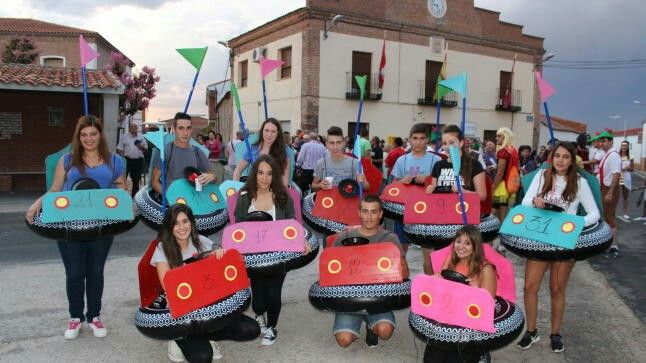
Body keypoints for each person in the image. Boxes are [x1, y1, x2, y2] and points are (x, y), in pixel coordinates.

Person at [26, 115, 127, 339]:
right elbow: (55, 190)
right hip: (69, 225)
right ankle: (75, 318)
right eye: (84, 135)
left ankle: (94, 316)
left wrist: (125, 194)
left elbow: (121, 190)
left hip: (102, 226)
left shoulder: (115, 161)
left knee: (95, 272)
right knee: (74, 273)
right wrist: (36, 205)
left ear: (100, 134)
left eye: (93, 133)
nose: (89, 139)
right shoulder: (67, 160)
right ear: (78, 137)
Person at [516, 141, 600, 353]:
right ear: (551, 158)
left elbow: (594, 214)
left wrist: (573, 223)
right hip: (539, 238)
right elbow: (524, 203)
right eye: (557, 156)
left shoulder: (579, 182)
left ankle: (555, 333)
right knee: (529, 287)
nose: (560, 160)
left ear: (572, 161)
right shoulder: (542, 175)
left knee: (557, 289)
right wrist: (535, 200)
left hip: (563, 242)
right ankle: (532, 331)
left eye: (565, 157)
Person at [151, 204, 260, 362]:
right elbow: (167, 285)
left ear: (192, 223)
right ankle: (176, 338)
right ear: (170, 227)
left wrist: (219, 254)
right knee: (203, 357)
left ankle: (208, 335)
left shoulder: (202, 241)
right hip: (184, 314)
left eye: (185, 221)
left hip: (208, 308)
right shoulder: (162, 248)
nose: (181, 227)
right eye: (176, 223)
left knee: (251, 329)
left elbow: (222, 269)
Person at [234, 155, 310, 346]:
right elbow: (237, 229)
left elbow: (292, 224)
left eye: (269, 173)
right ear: (254, 174)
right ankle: (260, 315)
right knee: (259, 301)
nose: (264, 178)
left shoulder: (283, 197)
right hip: (253, 257)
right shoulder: (244, 198)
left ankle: (272, 327)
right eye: (260, 173)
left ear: (274, 176)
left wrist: (301, 240)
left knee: (273, 293)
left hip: (278, 255)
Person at [332, 195, 409, 349]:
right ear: (359, 213)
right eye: (365, 211)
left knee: (385, 332)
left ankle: (371, 326)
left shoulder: (390, 239)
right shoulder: (345, 237)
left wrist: (398, 263)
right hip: (350, 301)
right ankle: (357, 322)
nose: (369, 216)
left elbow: (405, 274)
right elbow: (329, 269)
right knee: (343, 340)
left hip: (379, 301)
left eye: (374, 212)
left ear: (381, 214)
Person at [425, 225, 497, 363]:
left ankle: (482, 353)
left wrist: (478, 291)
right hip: (449, 319)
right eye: (458, 241)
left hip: (471, 326)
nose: (461, 246)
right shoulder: (450, 260)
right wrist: (436, 282)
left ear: (475, 246)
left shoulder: (485, 268)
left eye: (468, 243)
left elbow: (489, 308)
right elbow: (440, 295)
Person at [425, 125, 487, 274]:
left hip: (463, 222)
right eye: (444, 143)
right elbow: (433, 193)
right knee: (439, 264)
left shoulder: (474, 165)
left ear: (461, 143)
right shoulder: (438, 165)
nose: (447, 146)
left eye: (451, 142)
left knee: (462, 267)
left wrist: (464, 191)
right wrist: (430, 191)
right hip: (441, 222)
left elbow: (482, 195)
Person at [391, 123, 441, 254]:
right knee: (401, 253)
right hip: (404, 211)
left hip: (428, 211)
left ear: (428, 139)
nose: (418, 142)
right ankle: (403, 275)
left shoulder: (436, 160)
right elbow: (392, 188)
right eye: (415, 138)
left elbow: (443, 187)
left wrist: (428, 179)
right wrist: (402, 181)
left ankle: (429, 276)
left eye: (422, 138)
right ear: (409, 139)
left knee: (429, 256)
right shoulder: (402, 160)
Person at [150, 112, 214, 196]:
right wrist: (170, 197)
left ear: (192, 129)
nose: (185, 133)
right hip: (174, 205)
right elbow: (154, 181)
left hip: (193, 201)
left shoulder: (197, 152)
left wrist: (211, 176)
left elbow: (213, 175)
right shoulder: (166, 151)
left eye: (188, 128)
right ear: (174, 129)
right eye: (181, 128)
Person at [233, 118, 290, 187]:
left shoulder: (283, 152)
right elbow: (238, 170)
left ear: (277, 134)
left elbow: (284, 178)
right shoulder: (253, 150)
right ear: (262, 131)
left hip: (274, 191)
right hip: (254, 191)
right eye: (266, 130)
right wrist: (235, 186)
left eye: (273, 131)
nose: (269, 134)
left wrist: (281, 194)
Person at [311, 126, 369, 192]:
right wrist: (319, 185)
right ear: (326, 144)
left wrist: (362, 183)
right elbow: (313, 186)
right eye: (331, 143)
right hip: (328, 201)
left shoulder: (355, 163)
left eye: (338, 143)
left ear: (344, 143)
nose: (335, 147)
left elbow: (367, 187)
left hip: (348, 200)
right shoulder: (321, 163)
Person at [596, 131, 622, 257]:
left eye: (604, 141)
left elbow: (616, 174)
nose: (602, 143)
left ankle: (614, 246)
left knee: (609, 217)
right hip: (604, 188)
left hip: (609, 188)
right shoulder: (607, 155)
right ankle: (609, 243)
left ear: (611, 141)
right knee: (607, 216)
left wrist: (610, 192)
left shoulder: (613, 155)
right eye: (601, 141)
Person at [492, 127, 518, 226]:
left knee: (492, 213)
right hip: (508, 186)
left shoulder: (503, 151)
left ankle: (487, 238)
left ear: (505, 138)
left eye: (499, 136)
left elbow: (500, 173)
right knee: (502, 213)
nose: (496, 138)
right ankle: (503, 237)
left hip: (501, 187)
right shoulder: (513, 150)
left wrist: (493, 187)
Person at [117, 121, 148, 196]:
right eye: (132, 127)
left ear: (137, 128)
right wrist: (121, 157)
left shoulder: (141, 137)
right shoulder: (124, 136)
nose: (134, 128)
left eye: (135, 127)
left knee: (136, 179)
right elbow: (119, 148)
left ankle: (134, 196)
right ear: (129, 129)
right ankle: (121, 195)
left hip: (138, 161)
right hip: (127, 160)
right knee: (123, 179)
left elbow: (146, 149)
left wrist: (141, 147)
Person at [619, 141, 633, 220]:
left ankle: (625, 213)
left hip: (626, 177)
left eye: (625, 146)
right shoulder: (617, 155)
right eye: (622, 145)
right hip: (619, 176)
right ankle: (613, 211)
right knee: (615, 194)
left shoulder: (630, 156)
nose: (624, 147)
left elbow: (632, 168)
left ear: (628, 147)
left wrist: (628, 168)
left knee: (625, 196)